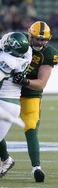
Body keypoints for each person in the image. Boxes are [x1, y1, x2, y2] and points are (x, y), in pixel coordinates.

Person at [0, 21, 58, 182]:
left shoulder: (49, 54)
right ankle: (5, 159)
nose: (39, 42)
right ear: (29, 35)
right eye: (36, 39)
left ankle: (36, 168)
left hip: (30, 94)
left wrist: (25, 81)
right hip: (7, 92)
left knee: (31, 127)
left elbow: (41, 83)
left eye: (43, 39)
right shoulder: (17, 42)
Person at [0, 32, 32, 178]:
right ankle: (6, 159)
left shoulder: (7, 60)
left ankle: (6, 159)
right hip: (11, 102)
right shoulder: (26, 54)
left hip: (5, 103)